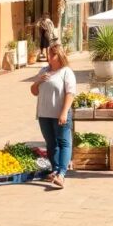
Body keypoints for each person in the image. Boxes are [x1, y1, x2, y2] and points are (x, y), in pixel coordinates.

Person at [30, 44, 74, 189]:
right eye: (49, 54)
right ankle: (55, 170)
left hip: (59, 114)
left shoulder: (66, 72)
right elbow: (34, 91)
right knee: (51, 143)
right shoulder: (44, 71)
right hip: (44, 114)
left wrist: (64, 112)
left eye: (52, 54)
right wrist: (39, 80)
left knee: (63, 142)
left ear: (60, 56)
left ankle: (62, 174)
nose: (49, 57)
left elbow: (70, 94)